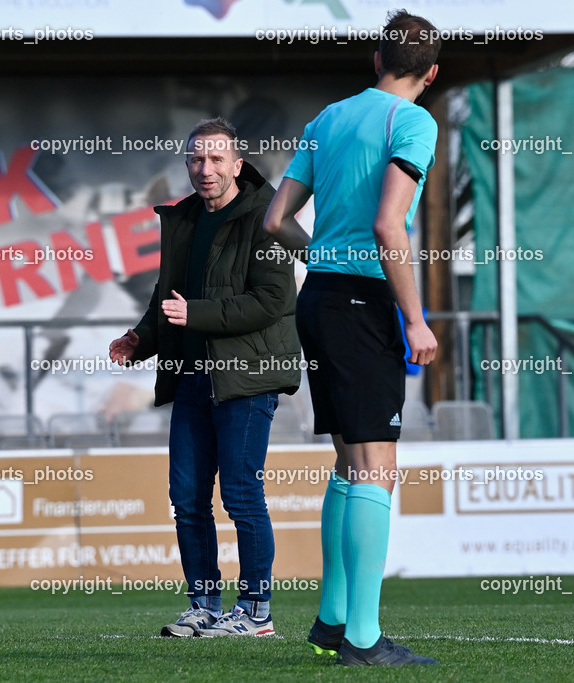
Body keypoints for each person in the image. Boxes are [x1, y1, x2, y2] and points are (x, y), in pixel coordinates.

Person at [263, 9, 441, 667]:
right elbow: (390, 225)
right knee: (376, 467)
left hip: (321, 297)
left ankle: (332, 622)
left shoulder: (327, 118)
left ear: (376, 60)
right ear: (431, 72)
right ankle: (363, 639)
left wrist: (324, 259)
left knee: (348, 462)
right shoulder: (414, 121)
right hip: (364, 301)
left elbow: (277, 220)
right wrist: (416, 318)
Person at [108, 117, 300, 639]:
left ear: (238, 165)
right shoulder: (184, 218)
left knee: (241, 496)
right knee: (188, 498)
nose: (205, 168)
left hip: (245, 377)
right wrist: (138, 339)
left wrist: (197, 315)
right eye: (196, 159)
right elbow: (166, 302)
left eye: (217, 159)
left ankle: (257, 613)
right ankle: (205, 606)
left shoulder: (266, 215)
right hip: (192, 378)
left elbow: (274, 301)